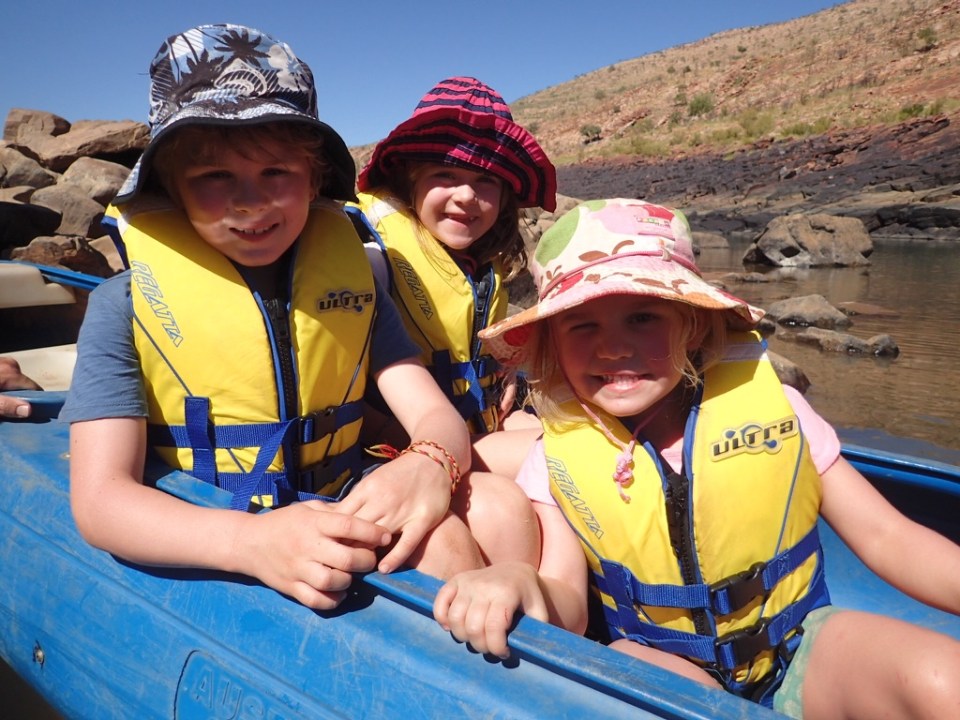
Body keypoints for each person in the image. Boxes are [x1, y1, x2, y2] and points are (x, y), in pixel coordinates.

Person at [434, 198, 960, 718]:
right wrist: (520, 580)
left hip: (798, 646)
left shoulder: (780, 409)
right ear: (552, 345)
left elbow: (887, 536)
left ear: (694, 325)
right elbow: (567, 603)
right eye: (582, 325)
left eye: (642, 317)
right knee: (633, 672)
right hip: (667, 666)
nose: (613, 347)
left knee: (942, 677)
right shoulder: (554, 458)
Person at [63, 24, 487, 612]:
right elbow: (101, 501)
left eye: (276, 173)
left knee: (453, 538)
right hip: (217, 522)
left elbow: (435, 415)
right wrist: (249, 542)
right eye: (214, 177)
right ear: (171, 188)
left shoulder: (357, 286)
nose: (250, 200)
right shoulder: (123, 306)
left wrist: (431, 463)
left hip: (342, 500)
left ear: (314, 181)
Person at [347, 76, 555, 473]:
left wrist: (505, 369)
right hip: (403, 445)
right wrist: (408, 438)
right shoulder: (371, 254)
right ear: (409, 181)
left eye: (485, 181)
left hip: (478, 418)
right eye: (445, 175)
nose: (466, 196)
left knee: (578, 436)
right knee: (564, 458)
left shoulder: (483, 262)